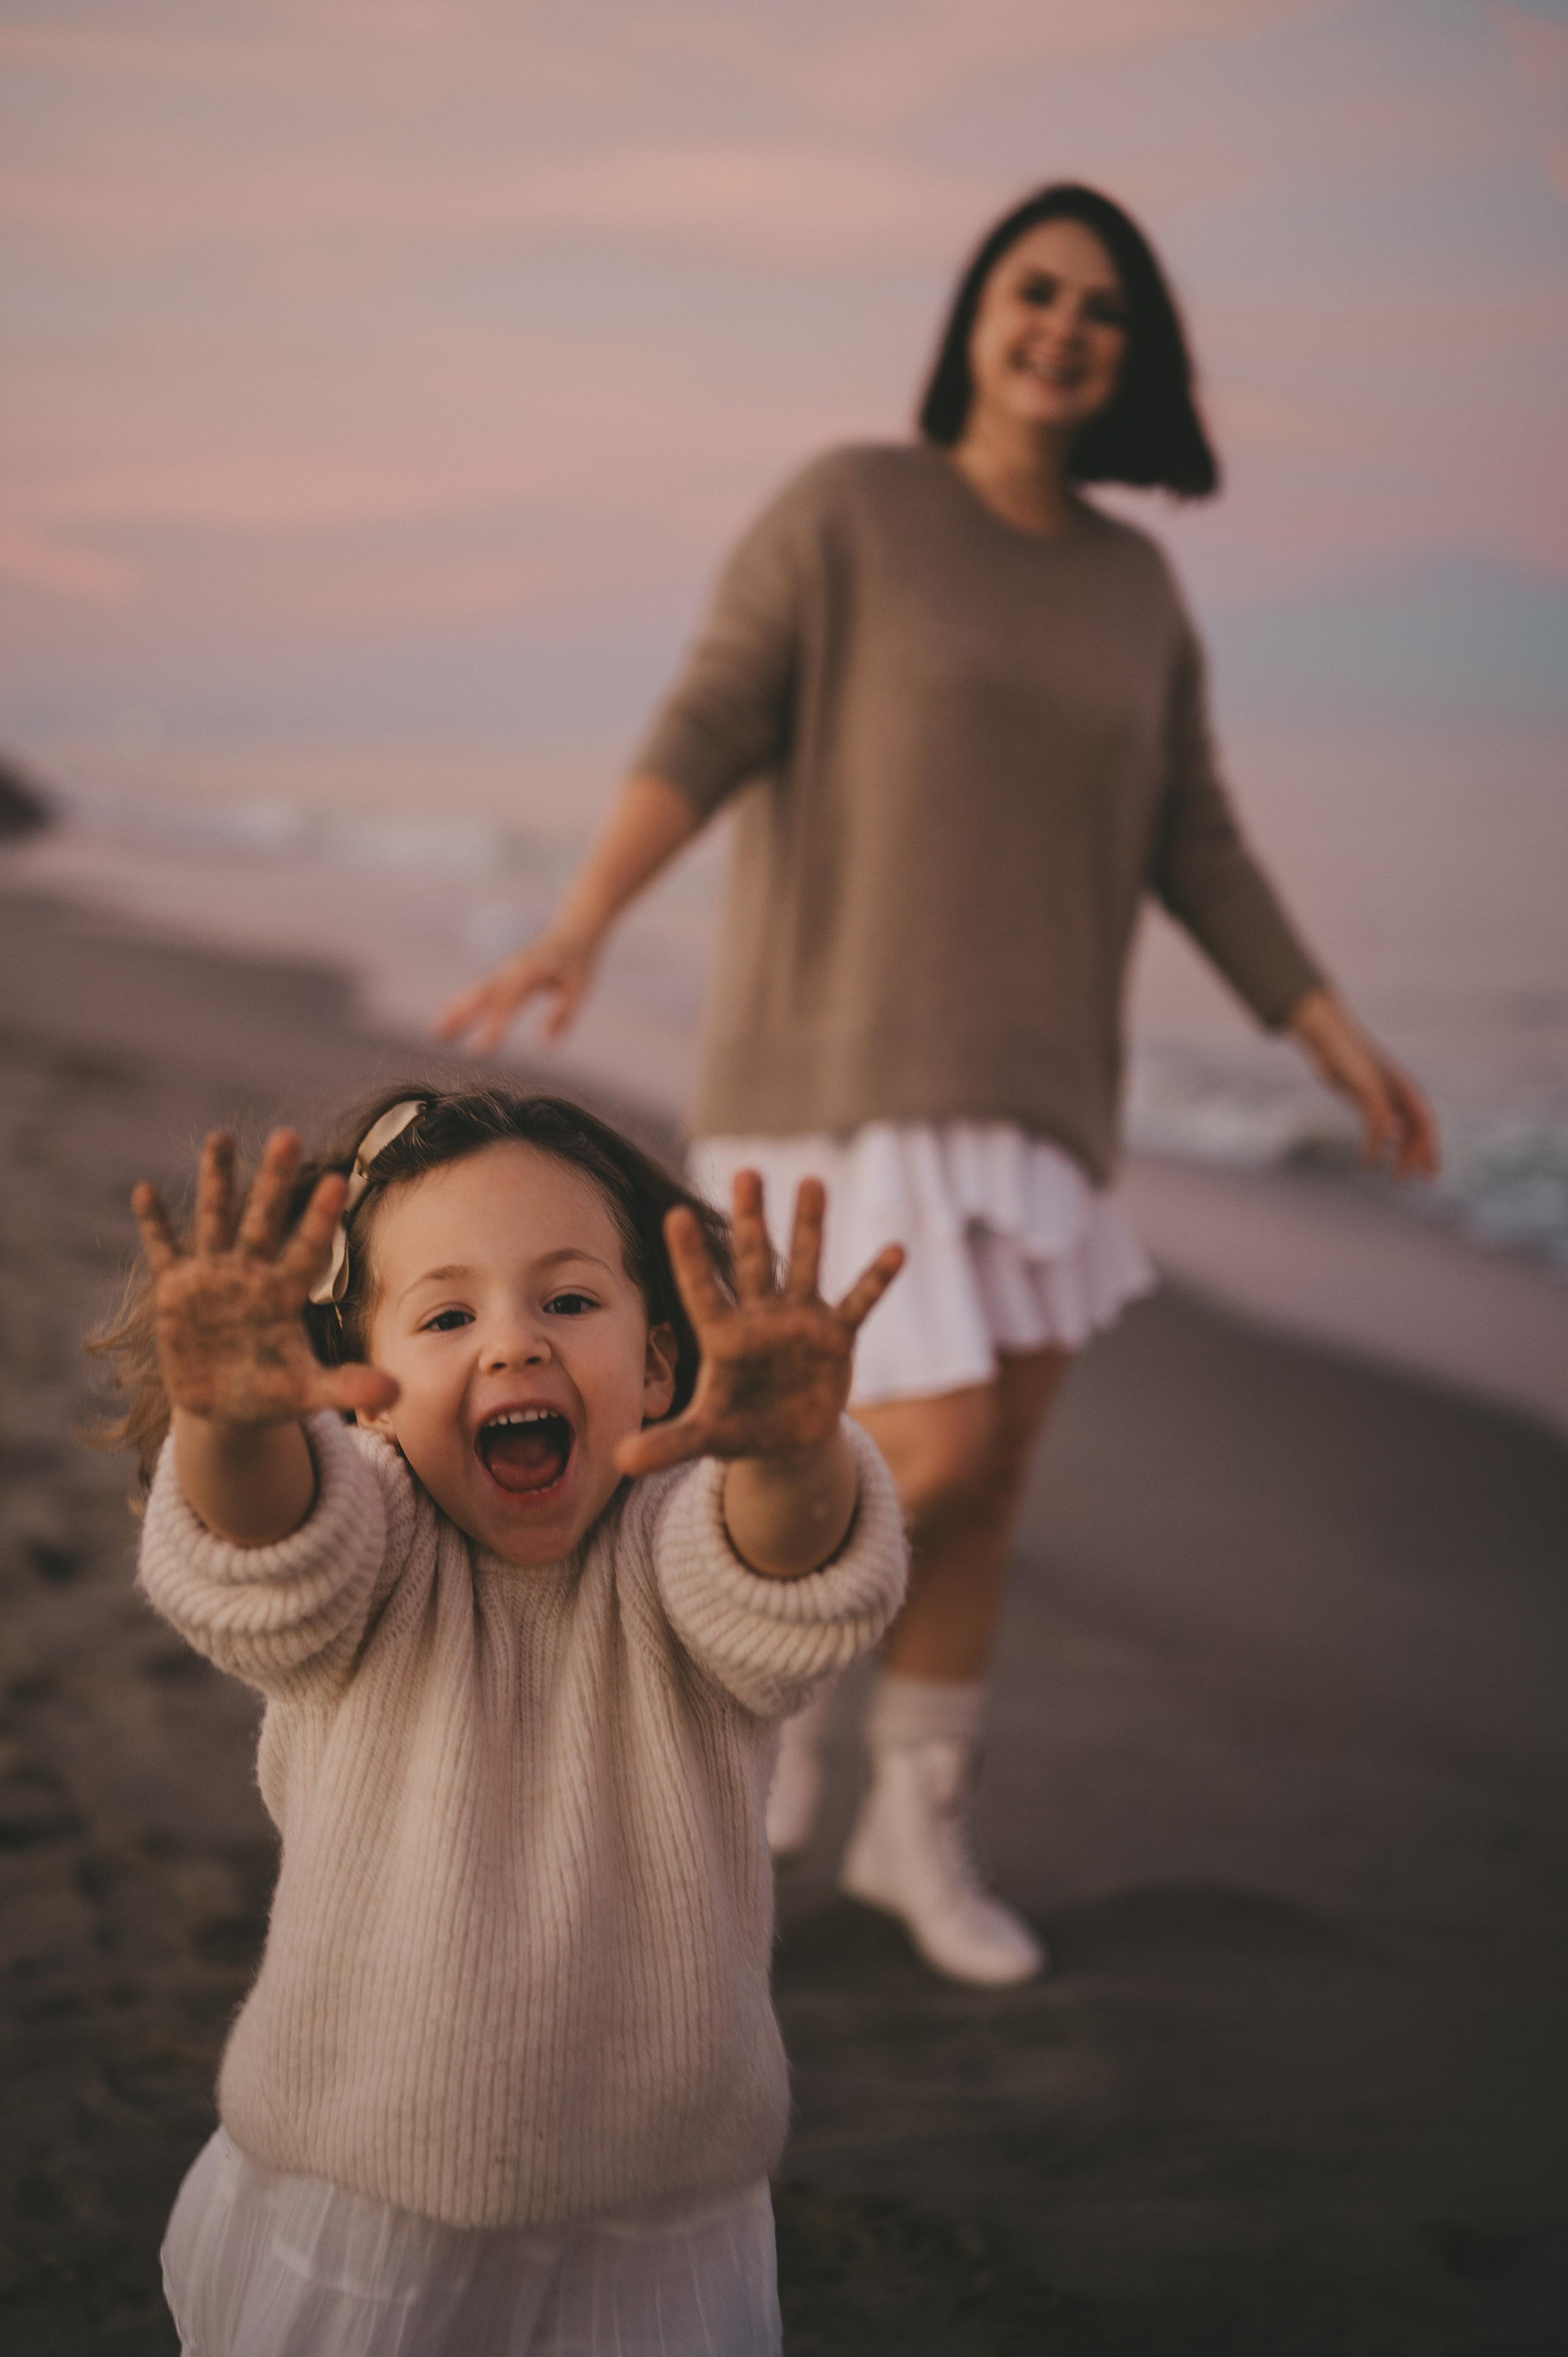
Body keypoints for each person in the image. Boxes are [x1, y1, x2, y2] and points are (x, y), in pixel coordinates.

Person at [437, 183, 1438, 1991]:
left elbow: (1193, 839)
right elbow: (713, 713)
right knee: (929, 1440)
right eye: (1033, 291)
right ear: (978, 313)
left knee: (991, 1484)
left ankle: (916, 1823)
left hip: (1040, 1092)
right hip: (838, 1077)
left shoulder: (1138, 585)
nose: (1062, 327)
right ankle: (737, 1656)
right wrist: (583, 914)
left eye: (1101, 310)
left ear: (1135, 358)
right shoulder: (853, 509)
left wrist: (1329, 1030)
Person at [89, 1086, 906, 2356]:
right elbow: (262, 1540)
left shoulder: (677, 1539)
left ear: (655, 1361)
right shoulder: (364, 1540)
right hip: (365, 2190)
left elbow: (780, 1577)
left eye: (568, 1300)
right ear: (356, 1394)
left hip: (657, 2211)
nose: (514, 1345)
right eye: (448, 1314)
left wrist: (793, 1452)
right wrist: (231, 1419)